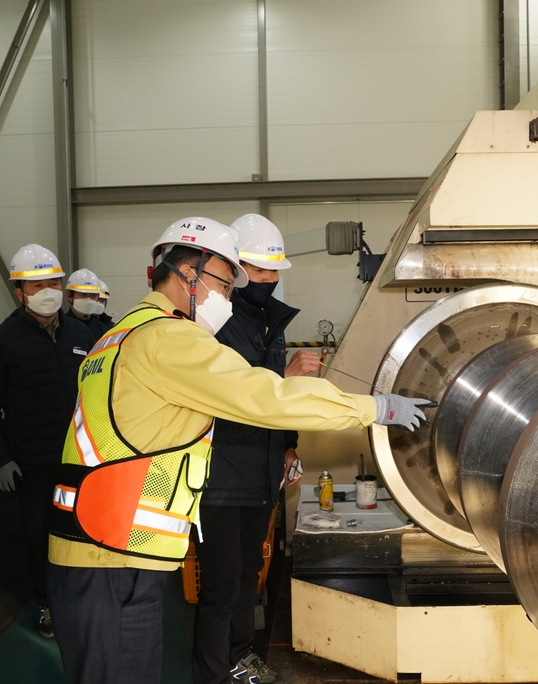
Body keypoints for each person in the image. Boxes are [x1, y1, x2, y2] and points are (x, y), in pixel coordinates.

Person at [46, 217, 430, 684]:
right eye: (225, 285)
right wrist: (374, 407)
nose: (227, 299)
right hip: (113, 553)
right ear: (190, 274)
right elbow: (265, 396)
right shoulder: (169, 339)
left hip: (96, 543)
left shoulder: (117, 335)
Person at [192, 214, 319, 684]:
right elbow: (219, 396)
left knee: (249, 576)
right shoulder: (214, 323)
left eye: (274, 272)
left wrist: (288, 447)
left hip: (260, 471)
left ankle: (239, 657)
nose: (269, 279)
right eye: (260, 270)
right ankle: (211, 674)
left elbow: (276, 403)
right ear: (233, 268)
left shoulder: (269, 322)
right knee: (221, 587)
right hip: (219, 477)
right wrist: (285, 377)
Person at [0, 244, 94, 638]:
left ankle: (81, 597)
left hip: (81, 458)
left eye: (54, 282)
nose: (48, 290)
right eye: (37, 284)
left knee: (82, 529)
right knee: (40, 535)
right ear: (18, 291)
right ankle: (47, 603)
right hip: (33, 462)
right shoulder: (1, 341)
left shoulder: (82, 334)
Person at [64, 268, 111, 343]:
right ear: (69, 296)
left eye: (93, 295)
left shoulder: (104, 330)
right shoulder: (60, 328)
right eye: (84, 294)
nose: (89, 300)